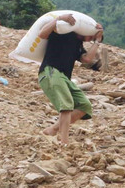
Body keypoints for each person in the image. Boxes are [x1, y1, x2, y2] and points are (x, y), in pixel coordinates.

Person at [37, 13, 104, 145]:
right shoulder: (62, 32)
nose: (89, 38)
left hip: (64, 77)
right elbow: (42, 34)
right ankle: (64, 143)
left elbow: (87, 59)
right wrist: (59, 19)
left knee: (84, 105)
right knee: (66, 105)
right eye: (90, 36)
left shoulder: (78, 44)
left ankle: (52, 130)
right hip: (50, 71)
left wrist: (97, 42)